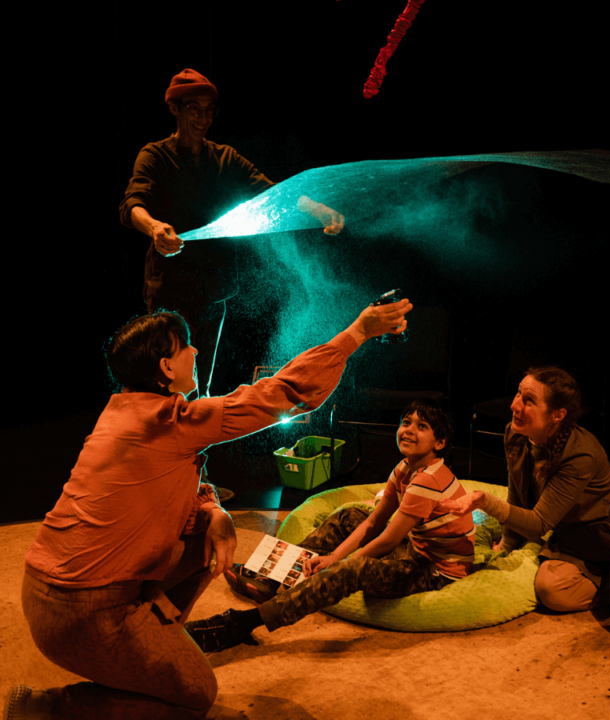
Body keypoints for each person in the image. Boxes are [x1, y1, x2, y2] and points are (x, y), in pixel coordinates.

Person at [5, 298, 411, 720]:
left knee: (203, 537)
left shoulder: (121, 411)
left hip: (47, 595)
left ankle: (153, 643)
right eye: (186, 346)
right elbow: (282, 394)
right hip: (84, 611)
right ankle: (47, 708)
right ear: (166, 367)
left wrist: (216, 512)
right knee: (197, 694)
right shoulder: (170, 421)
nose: (196, 353)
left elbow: (177, 490)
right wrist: (357, 333)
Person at [440, 366, 610, 639]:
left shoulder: (579, 454)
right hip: (583, 540)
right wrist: (507, 547)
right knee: (551, 589)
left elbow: (538, 524)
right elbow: (518, 494)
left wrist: (484, 501)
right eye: (518, 394)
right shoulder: (516, 434)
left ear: (557, 415)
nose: (515, 405)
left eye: (529, 401)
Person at [119, 68, 344, 399]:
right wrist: (154, 228)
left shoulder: (224, 158)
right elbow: (131, 204)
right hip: (171, 289)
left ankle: (198, 449)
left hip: (214, 288)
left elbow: (272, 192)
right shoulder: (155, 155)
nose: (203, 117)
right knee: (166, 384)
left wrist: (317, 208)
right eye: (194, 108)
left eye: (209, 110)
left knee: (201, 385)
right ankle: (166, 446)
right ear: (175, 109)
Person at [185, 398, 475, 652]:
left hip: (435, 570)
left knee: (353, 569)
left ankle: (245, 622)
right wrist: (333, 557)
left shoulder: (428, 480)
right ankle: (277, 576)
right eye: (406, 422)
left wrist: (340, 564)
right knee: (348, 516)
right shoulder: (404, 468)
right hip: (416, 547)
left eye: (421, 426)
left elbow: (387, 539)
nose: (409, 429)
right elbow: (374, 521)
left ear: (440, 443)